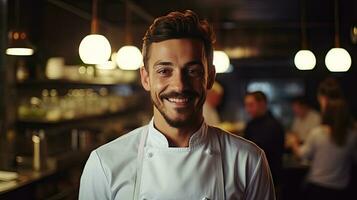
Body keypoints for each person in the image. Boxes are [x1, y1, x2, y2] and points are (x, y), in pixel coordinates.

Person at [79, 10, 275, 200]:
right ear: (146, 78)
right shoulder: (104, 165)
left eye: (193, 71)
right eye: (164, 71)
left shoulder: (249, 161)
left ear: (210, 78)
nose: (180, 85)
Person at [287, 78, 357, 200]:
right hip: (342, 189)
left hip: (317, 187)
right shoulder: (353, 134)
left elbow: (303, 154)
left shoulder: (318, 133)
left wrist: (293, 143)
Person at [243, 91, 285, 186]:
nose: (247, 109)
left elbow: (259, 151)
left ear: (262, 104)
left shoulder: (274, 125)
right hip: (254, 176)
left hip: (270, 178)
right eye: (246, 105)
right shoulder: (250, 125)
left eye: (250, 105)